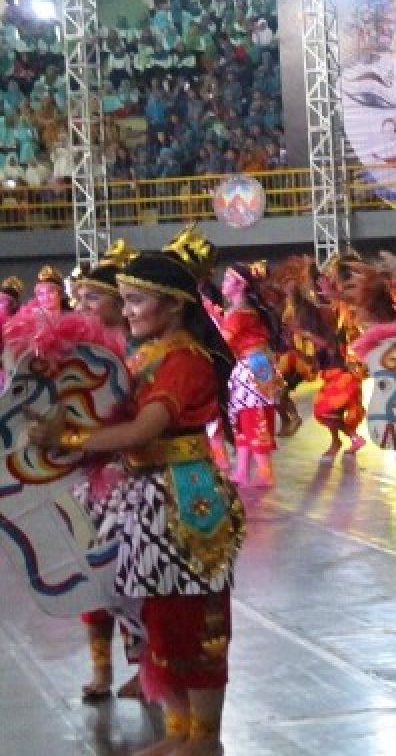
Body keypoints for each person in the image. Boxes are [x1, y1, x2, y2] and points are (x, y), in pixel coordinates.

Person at [29, 250, 244, 755]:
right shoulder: (145, 355)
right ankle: (179, 730)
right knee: (161, 619)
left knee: (195, 619)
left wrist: (73, 438)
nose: (126, 312)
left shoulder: (187, 360)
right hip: (146, 495)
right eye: (123, 301)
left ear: (172, 306)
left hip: (184, 498)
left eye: (135, 301)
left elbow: (145, 429)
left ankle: (205, 738)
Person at [70, 241, 144, 704]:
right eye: (78, 298)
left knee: (135, 575)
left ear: (119, 302)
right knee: (91, 573)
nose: (81, 306)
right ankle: (100, 668)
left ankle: (144, 668)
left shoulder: (143, 350)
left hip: (133, 475)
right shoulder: (75, 353)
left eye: (92, 297)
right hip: (85, 476)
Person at [218, 262, 285, 489]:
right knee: (243, 418)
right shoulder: (238, 312)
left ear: (241, 285)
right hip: (251, 365)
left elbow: (223, 342)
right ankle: (242, 470)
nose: (223, 283)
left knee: (252, 416)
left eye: (228, 279)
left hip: (253, 367)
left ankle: (264, 471)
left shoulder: (240, 314)